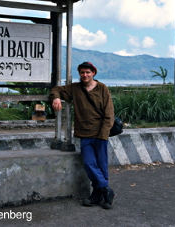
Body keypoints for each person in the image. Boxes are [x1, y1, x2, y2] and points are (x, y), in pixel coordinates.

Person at [50, 62, 116, 209]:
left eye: (87, 72)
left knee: (102, 165)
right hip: (84, 134)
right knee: (88, 163)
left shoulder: (102, 88)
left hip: (100, 133)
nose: (85, 75)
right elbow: (56, 89)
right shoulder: (75, 88)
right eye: (82, 73)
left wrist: (104, 134)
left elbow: (109, 113)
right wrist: (56, 98)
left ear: (93, 73)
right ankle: (106, 190)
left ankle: (99, 195)